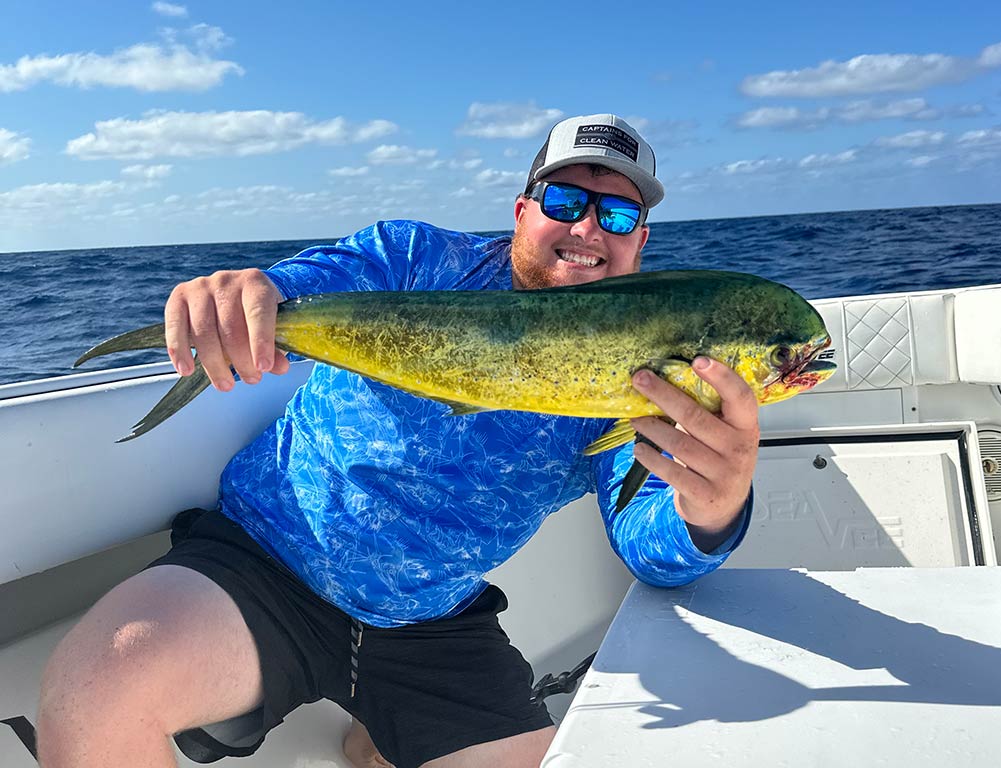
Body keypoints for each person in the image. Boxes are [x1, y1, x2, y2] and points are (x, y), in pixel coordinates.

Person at [37, 114, 759, 768]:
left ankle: (381, 736)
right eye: (565, 202)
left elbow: (649, 548)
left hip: (432, 623)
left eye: (618, 212)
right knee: (93, 695)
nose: (587, 228)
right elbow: (298, 292)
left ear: (641, 237)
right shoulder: (414, 258)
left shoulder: (655, 366)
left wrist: (714, 508)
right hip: (268, 559)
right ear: (522, 212)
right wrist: (240, 298)